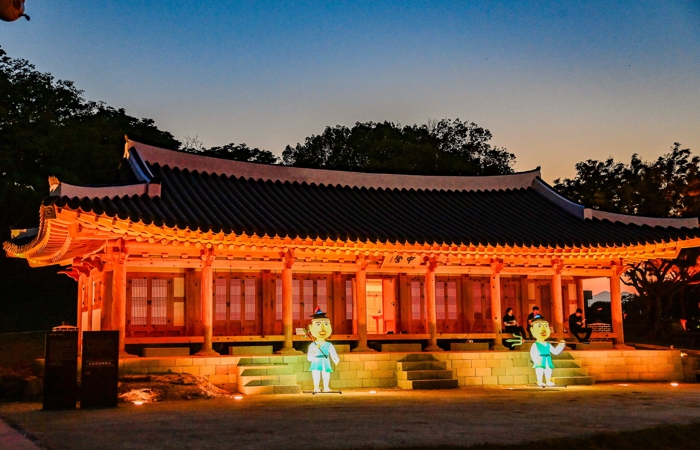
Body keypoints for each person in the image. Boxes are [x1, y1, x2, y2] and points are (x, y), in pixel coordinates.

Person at [307, 307, 340, 392]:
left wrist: (335, 359)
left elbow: (333, 353)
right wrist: (315, 349)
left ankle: (326, 387)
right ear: (311, 328)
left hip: (325, 360)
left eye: (326, 324)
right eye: (318, 325)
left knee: (326, 374)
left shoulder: (329, 345)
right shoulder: (313, 345)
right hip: (316, 360)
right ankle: (316, 387)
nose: (322, 328)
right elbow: (309, 358)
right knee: (316, 374)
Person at [529, 317, 566, 387]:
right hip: (540, 359)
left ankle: (548, 381)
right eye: (539, 326)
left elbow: (555, 351)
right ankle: (539, 381)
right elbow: (532, 353)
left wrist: (561, 345)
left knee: (548, 370)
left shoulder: (548, 344)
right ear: (532, 330)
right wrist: (536, 360)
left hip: (547, 359)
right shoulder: (535, 344)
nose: (543, 329)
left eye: (546, 326)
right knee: (539, 371)